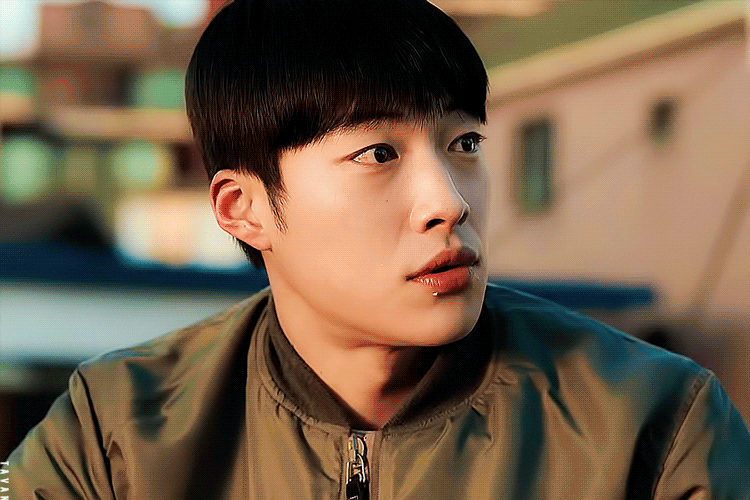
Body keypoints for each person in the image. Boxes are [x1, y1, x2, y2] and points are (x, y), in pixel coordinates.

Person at [7, 0, 750, 498]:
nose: (449, 202)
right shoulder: (114, 436)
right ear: (244, 209)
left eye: (464, 144)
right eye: (378, 155)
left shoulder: (651, 425)